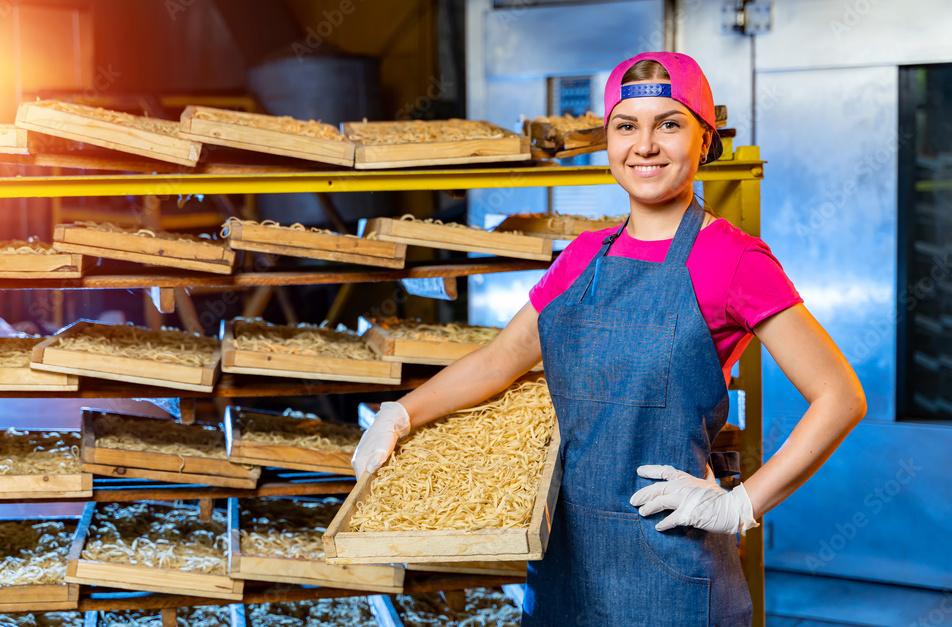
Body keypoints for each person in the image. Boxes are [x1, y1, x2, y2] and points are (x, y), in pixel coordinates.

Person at [352, 51, 866, 626]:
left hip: (674, 568)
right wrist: (401, 413)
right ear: (608, 141)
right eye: (627, 126)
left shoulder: (733, 260)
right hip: (564, 567)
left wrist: (738, 505)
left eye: (669, 124)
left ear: (705, 139)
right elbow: (499, 361)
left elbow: (841, 397)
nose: (645, 146)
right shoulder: (579, 259)